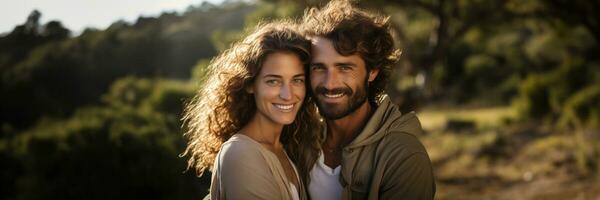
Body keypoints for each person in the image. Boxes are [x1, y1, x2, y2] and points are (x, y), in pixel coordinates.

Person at [300, 0, 436, 199]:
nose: (330, 83)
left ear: (372, 71)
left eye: (345, 68)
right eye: (319, 67)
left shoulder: (404, 156)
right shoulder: (301, 140)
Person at [180, 21, 321, 200]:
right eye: (273, 81)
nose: (288, 95)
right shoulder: (240, 153)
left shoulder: (285, 148)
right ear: (249, 85)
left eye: (297, 80)